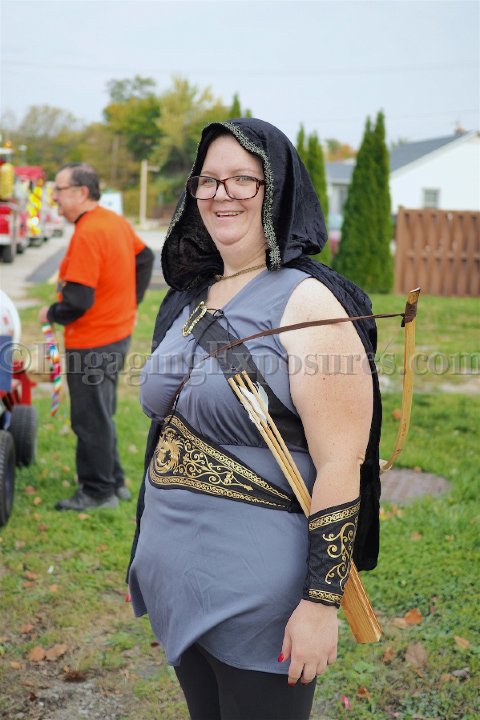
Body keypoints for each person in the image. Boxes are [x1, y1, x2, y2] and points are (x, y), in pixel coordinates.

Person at [128, 119, 382, 720]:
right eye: (209, 180)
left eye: (244, 179)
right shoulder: (191, 296)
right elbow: (166, 430)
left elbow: (341, 462)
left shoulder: (309, 304)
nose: (223, 194)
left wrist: (320, 603)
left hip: (257, 597)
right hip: (176, 576)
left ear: (279, 190)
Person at [39, 163, 154, 511]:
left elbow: (77, 300)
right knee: (101, 413)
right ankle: (114, 481)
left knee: (89, 418)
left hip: (92, 342)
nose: (54, 198)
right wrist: (129, 304)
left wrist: (51, 314)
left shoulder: (89, 232)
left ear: (81, 192)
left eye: (59, 190)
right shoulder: (112, 221)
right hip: (115, 334)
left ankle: (97, 492)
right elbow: (145, 257)